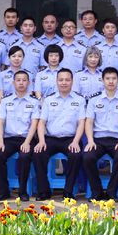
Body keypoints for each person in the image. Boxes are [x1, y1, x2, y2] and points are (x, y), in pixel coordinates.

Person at [33, 68, 86, 200]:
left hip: (71, 139)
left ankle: (68, 191)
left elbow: (82, 123)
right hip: (50, 138)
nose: (64, 82)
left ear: (72, 81)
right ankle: (44, 190)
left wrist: (76, 141)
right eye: (61, 80)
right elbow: (41, 123)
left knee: (75, 155)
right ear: (56, 81)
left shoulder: (79, 100)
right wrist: (41, 141)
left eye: (67, 80)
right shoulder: (48, 99)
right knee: (38, 153)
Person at [83, 67, 118, 202]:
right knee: (87, 157)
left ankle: (112, 192)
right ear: (102, 80)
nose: (111, 81)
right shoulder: (94, 99)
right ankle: (97, 192)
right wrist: (90, 141)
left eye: (114, 78)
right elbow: (89, 122)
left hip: (117, 140)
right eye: (108, 78)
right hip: (98, 140)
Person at [0, 71, 40, 201]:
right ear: (13, 83)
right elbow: (0, 123)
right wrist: (0, 142)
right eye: (18, 80)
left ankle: (22, 191)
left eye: (24, 80)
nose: (21, 83)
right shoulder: (5, 101)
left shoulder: (34, 102)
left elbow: (34, 124)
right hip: (9, 139)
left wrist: (27, 142)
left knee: (24, 156)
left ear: (28, 83)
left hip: (27, 138)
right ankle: (3, 191)